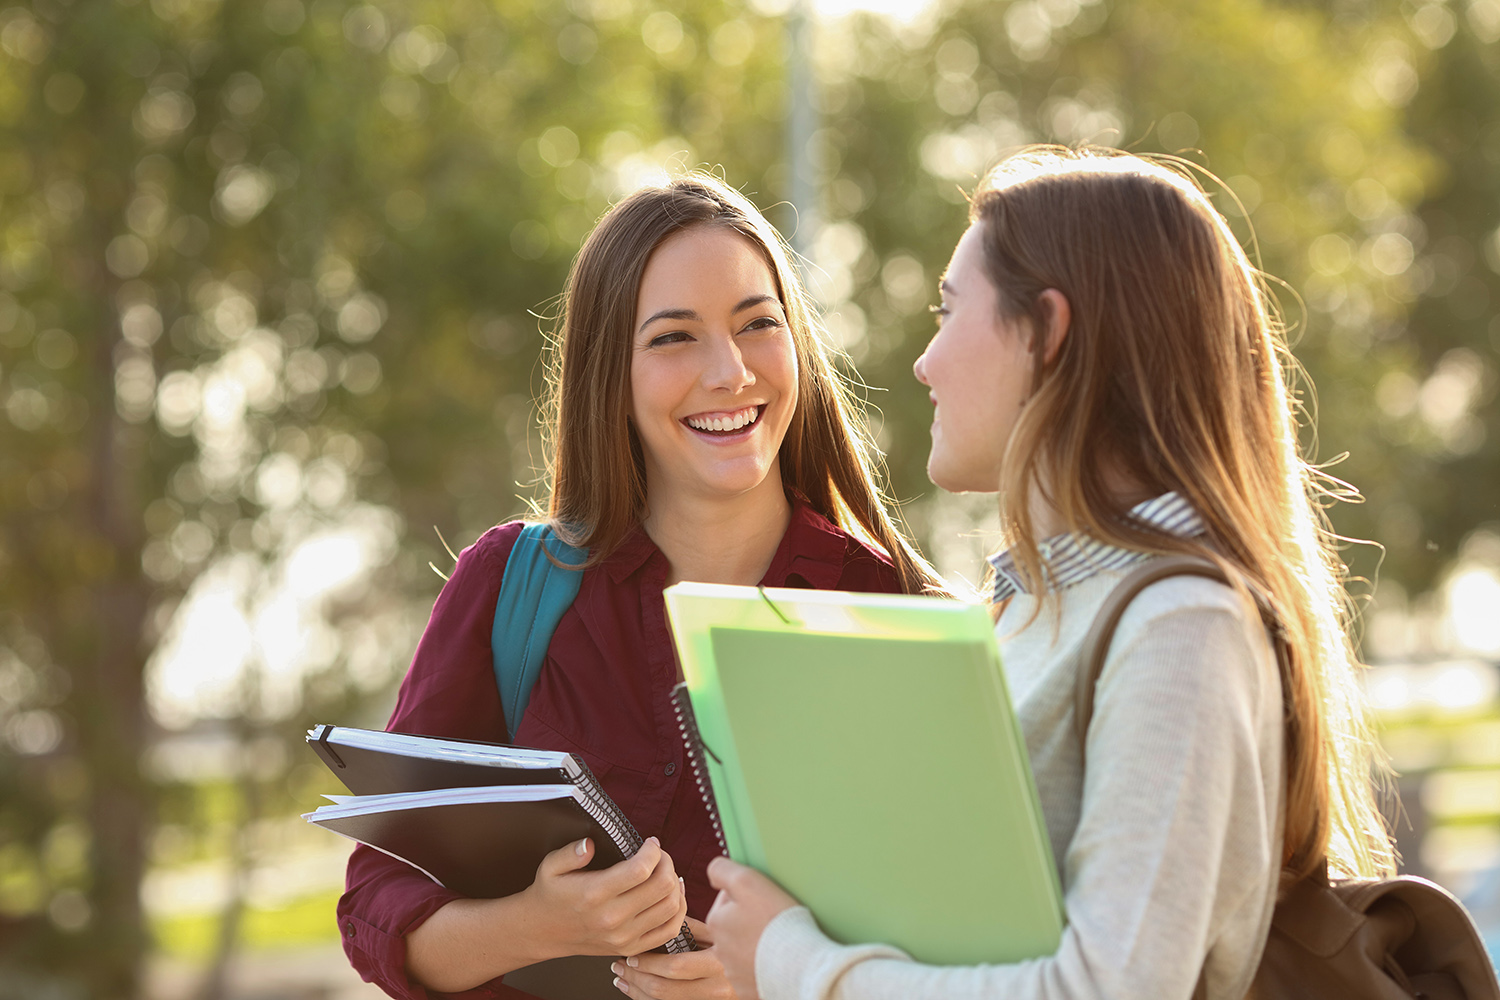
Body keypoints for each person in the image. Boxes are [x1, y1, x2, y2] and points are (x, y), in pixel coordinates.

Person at [703, 146, 1397, 1000]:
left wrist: (796, 964)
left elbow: (1107, 991)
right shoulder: (1031, 606)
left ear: (1050, 333)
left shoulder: (1182, 624)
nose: (925, 362)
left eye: (949, 310)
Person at [335, 173, 944, 1000]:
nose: (729, 373)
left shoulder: (901, 617)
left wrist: (772, 982)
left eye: (759, 324)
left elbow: (967, 952)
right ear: (608, 375)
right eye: (673, 338)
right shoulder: (511, 587)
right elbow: (378, 902)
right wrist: (535, 926)